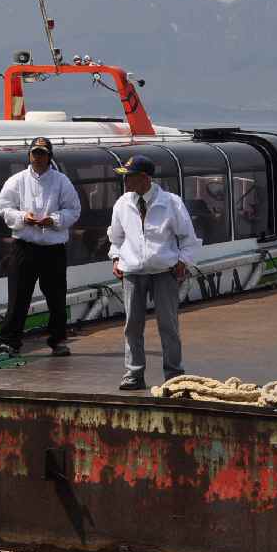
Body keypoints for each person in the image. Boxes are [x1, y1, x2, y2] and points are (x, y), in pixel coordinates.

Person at [107, 155, 201, 390]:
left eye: (129, 177)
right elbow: (116, 238)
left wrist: (183, 261)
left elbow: (189, 239)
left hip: (163, 272)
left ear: (144, 178)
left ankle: (174, 374)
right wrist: (116, 258)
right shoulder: (123, 203)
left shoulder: (171, 202)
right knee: (132, 325)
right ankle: (134, 374)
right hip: (132, 271)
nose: (125, 182)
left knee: (168, 325)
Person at [0, 136, 81, 356]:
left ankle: (58, 340)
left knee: (56, 296)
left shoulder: (62, 181)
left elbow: (73, 210)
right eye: (35, 153)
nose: (38, 157)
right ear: (29, 155)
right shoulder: (17, 180)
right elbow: (3, 207)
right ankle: (10, 341)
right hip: (24, 247)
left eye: (42, 153)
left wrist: (54, 220)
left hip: (53, 249)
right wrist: (24, 217)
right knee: (18, 295)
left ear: (49, 156)